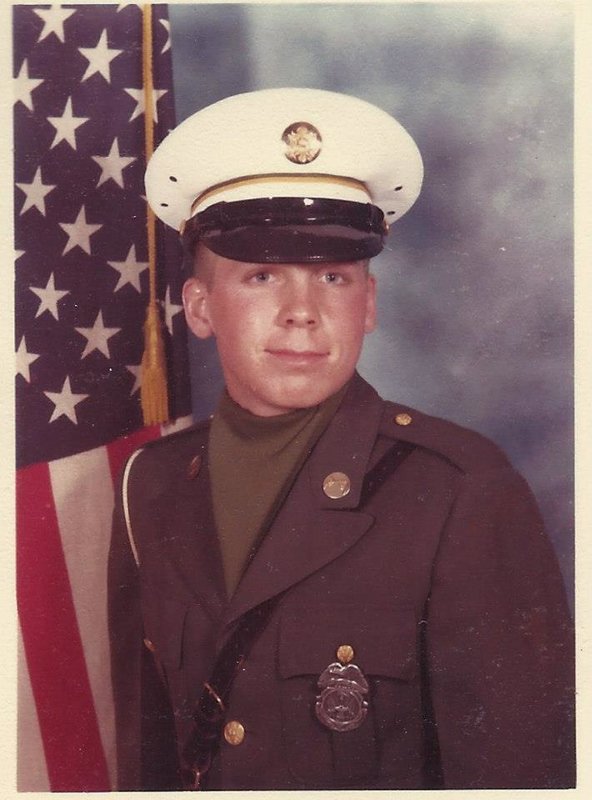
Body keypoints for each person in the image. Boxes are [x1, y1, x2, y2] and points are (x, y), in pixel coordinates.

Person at [108, 88, 575, 791]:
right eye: (261, 276)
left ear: (370, 304)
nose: (302, 312)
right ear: (200, 308)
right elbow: (147, 760)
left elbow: (519, 772)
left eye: (333, 277)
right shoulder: (151, 482)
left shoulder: (459, 488)